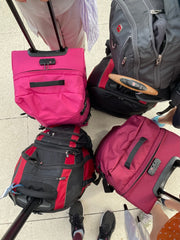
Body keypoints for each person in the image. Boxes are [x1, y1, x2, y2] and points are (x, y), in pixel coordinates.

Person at [15, 0, 99, 51]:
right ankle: (64, 71)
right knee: (56, 48)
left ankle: (76, 74)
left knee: (76, 48)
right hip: (36, 10)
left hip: (69, 4)